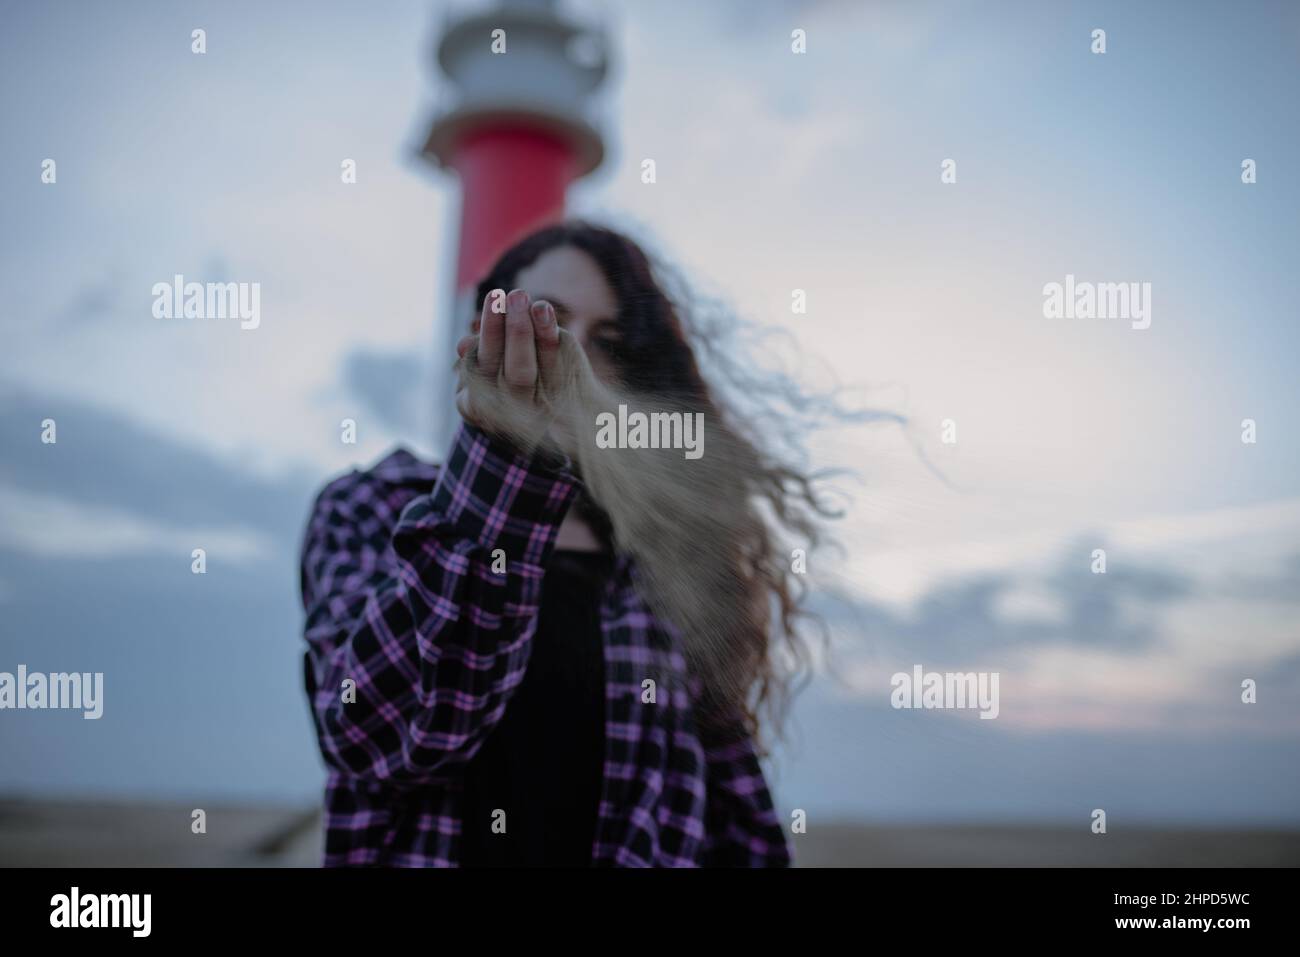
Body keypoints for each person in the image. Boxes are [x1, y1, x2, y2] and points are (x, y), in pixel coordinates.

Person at [299, 221, 831, 866]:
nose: (572, 354)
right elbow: (371, 734)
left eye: (607, 341)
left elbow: (730, 799)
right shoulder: (370, 506)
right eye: (546, 318)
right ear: (482, 329)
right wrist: (504, 460)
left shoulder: (665, 550)